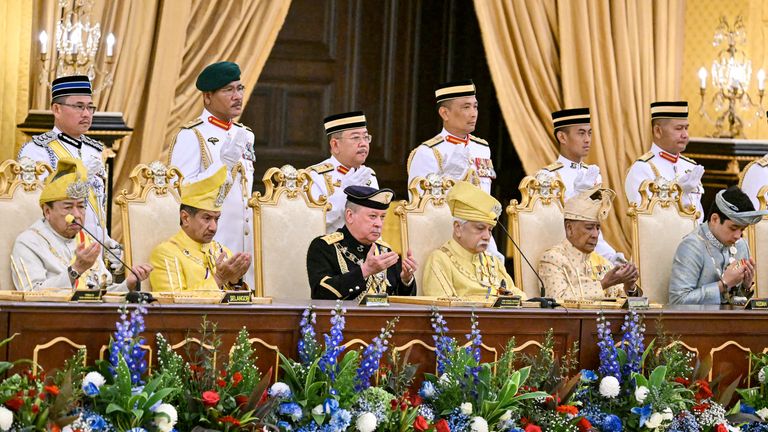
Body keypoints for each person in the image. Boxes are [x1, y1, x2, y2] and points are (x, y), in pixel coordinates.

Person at [17, 75, 122, 273]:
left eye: (90, 107)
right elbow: (36, 205)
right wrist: (82, 175)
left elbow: (97, 205)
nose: (86, 114)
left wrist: (106, 240)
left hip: (93, 251)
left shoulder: (95, 150)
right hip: (56, 252)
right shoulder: (37, 150)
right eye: (79, 106)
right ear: (56, 109)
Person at [168, 61, 256, 288]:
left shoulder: (245, 134)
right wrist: (221, 165)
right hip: (211, 242)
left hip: (243, 244)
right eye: (228, 90)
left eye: (240, 88)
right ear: (208, 97)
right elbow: (180, 194)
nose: (237, 96)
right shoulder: (192, 135)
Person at [11, 158, 152, 291]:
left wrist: (128, 284)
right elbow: (32, 295)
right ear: (47, 211)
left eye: (81, 206)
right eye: (68, 207)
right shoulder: (28, 243)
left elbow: (101, 293)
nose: (77, 214)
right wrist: (76, 270)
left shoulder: (86, 240)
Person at [407, 79, 500, 256]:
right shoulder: (429, 152)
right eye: (466, 107)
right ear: (445, 113)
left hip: (483, 238)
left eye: (475, 107)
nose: (473, 114)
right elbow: (420, 210)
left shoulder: (482, 148)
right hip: (445, 241)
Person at [537, 107, 624, 264]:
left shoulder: (593, 174)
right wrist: (576, 196)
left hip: (590, 259)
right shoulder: (547, 177)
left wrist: (611, 257)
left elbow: (593, 230)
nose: (587, 139)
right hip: (560, 260)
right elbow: (550, 228)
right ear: (562, 137)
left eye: (589, 133)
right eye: (581, 133)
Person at [149, 166, 252, 292]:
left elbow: (240, 308)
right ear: (185, 218)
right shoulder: (166, 253)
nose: (213, 227)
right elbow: (172, 304)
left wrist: (236, 281)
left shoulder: (222, 252)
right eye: (207, 218)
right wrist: (219, 278)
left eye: (217, 219)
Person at [306, 186, 416, 299]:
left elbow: (398, 301)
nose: (379, 223)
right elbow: (320, 293)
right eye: (372, 216)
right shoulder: (324, 247)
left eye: (382, 217)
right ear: (350, 216)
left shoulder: (384, 251)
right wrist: (365, 271)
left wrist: (406, 279)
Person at [422, 181, 526, 298]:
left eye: (490, 230)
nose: (487, 236)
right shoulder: (440, 260)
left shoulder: (492, 261)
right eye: (480, 228)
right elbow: (444, 308)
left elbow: (518, 297)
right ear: (458, 228)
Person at [669, 186, 767, 305]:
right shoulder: (692, 246)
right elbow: (677, 301)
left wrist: (746, 287)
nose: (738, 236)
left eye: (742, 229)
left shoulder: (741, 245)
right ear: (715, 219)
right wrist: (724, 284)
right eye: (733, 228)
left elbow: (737, 302)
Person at [538, 186, 640, 300]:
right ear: (569, 228)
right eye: (589, 227)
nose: (595, 234)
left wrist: (629, 287)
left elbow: (622, 301)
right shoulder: (553, 259)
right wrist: (603, 284)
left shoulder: (602, 262)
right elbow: (557, 299)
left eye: (597, 228)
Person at [625, 101, 704, 221]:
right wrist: (679, 196)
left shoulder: (690, 166)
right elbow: (647, 221)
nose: (685, 135)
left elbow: (699, 218)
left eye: (686, 128)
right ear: (658, 131)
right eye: (678, 129)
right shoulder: (643, 169)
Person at [307, 111, 378, 233]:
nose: (363, 144)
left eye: (366, 137)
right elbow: (312, 223)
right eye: (356, 138)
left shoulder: (368, 176)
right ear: (335, 145)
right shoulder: (314, 177)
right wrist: (344, 194)